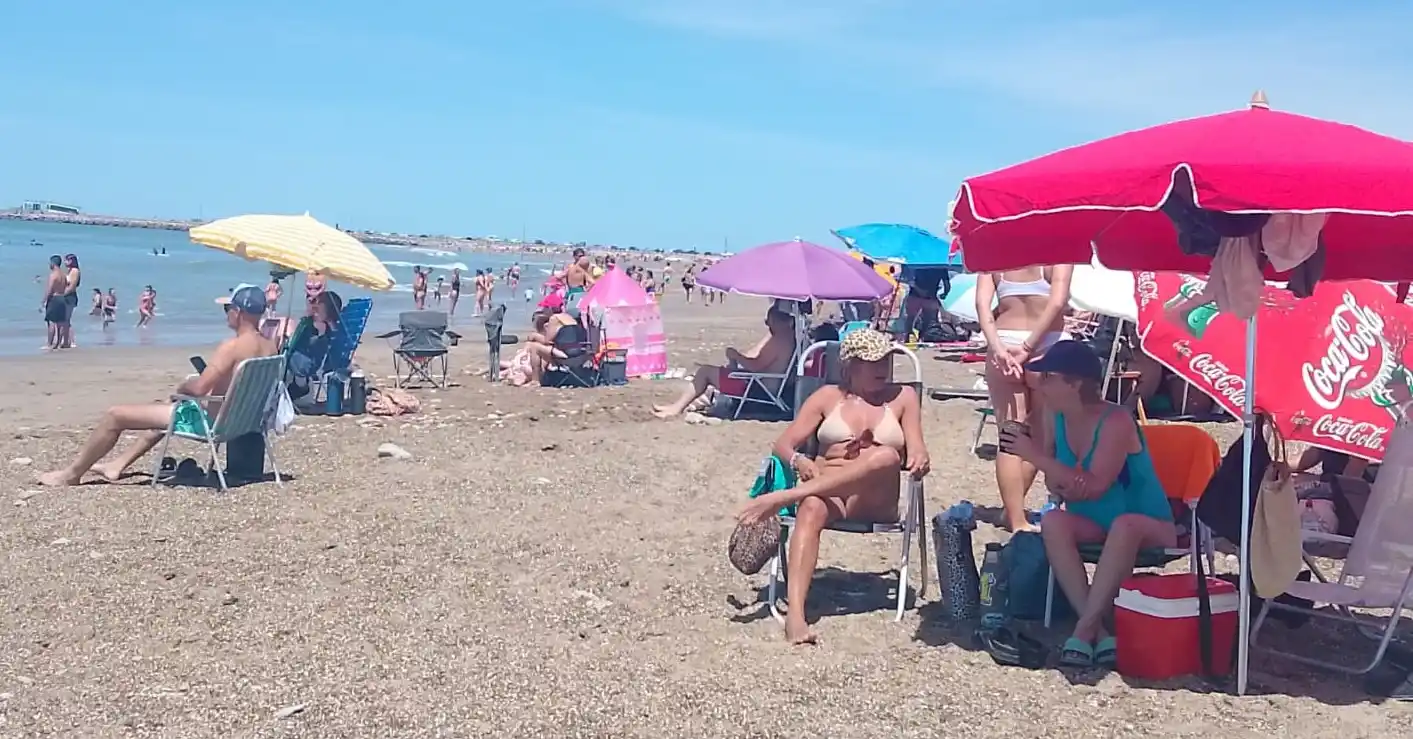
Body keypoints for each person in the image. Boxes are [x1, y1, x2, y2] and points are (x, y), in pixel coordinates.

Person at [737, 328, 930, 644]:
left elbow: (917, 448)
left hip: (875, 498)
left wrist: (920, 459)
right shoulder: (827, 397)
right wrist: (799, 461)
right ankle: (796, 616)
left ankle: (785, 496)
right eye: (874, 362)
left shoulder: (903, 397)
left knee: (885, 456)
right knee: (811, 508)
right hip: (829, 496)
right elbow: (783, 444)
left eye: (887, 361)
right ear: (851, 365)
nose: (884, 368)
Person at [998, 340, 1175, 667]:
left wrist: (1036, 457)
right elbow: (1055, 482)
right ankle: (1099, 629)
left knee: (1125, 525)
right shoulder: (1056, 416)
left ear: (1075, 383)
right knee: (1052, 521)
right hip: (1092, 521)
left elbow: (1093, 487)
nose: (1041, 383)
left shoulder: (1116, 421)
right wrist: (1065, 478)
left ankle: (1084, 629)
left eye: (1049, 376)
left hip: (1149, 525)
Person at [37, 285, 277, 486]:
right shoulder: (270, 347)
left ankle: (71, 475)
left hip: (212, 423)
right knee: (166, 411)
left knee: (115, 415)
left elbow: (201, 389)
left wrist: (184, 387)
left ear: (238, 312)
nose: (227, 314)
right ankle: (116, 465)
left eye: (228, 309)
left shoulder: (232, 347)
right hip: (242, 422)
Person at [975, 264, 1075, 532]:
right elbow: (1057, 302)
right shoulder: (1058, 255)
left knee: (1010, 436)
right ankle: (1014, 514)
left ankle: (1014, 515)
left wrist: (997, 348)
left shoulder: (996, 256)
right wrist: (1028, 347)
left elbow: (982, 306)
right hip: (1048, 342)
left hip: (1004, 340)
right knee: (1040, 439)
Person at [652, 306, 797, 419]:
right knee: (714, 372)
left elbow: (755, 365)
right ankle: (676, 407)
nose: (767, 326)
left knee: (705, 372)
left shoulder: (779, 340)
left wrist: (735, 355)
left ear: (776, 321)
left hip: (759, 394)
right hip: (767, 391)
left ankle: (676, 408)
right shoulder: (789, 338)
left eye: (768, 322)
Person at [41, 255, 67, 350]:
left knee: (51, 322)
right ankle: (58, 344)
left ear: (53, 263)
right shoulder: (64, 275)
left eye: (50, 263)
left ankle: (49, 344)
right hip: (62, 298)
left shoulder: (53, 275)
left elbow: (49, 289)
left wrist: (43, 301)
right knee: (60, 323)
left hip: (54, 299)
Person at [60, 254, 81, 348]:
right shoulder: (69, 271)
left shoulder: (75, 271)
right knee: (64, 320)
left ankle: (71, 341)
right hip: (67, 296)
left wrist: (62, 295)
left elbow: (72, 287)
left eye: (66, 260)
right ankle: (66, 340)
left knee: (66, 320)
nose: (64, 262)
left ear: (71, 261)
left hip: (70, 297)